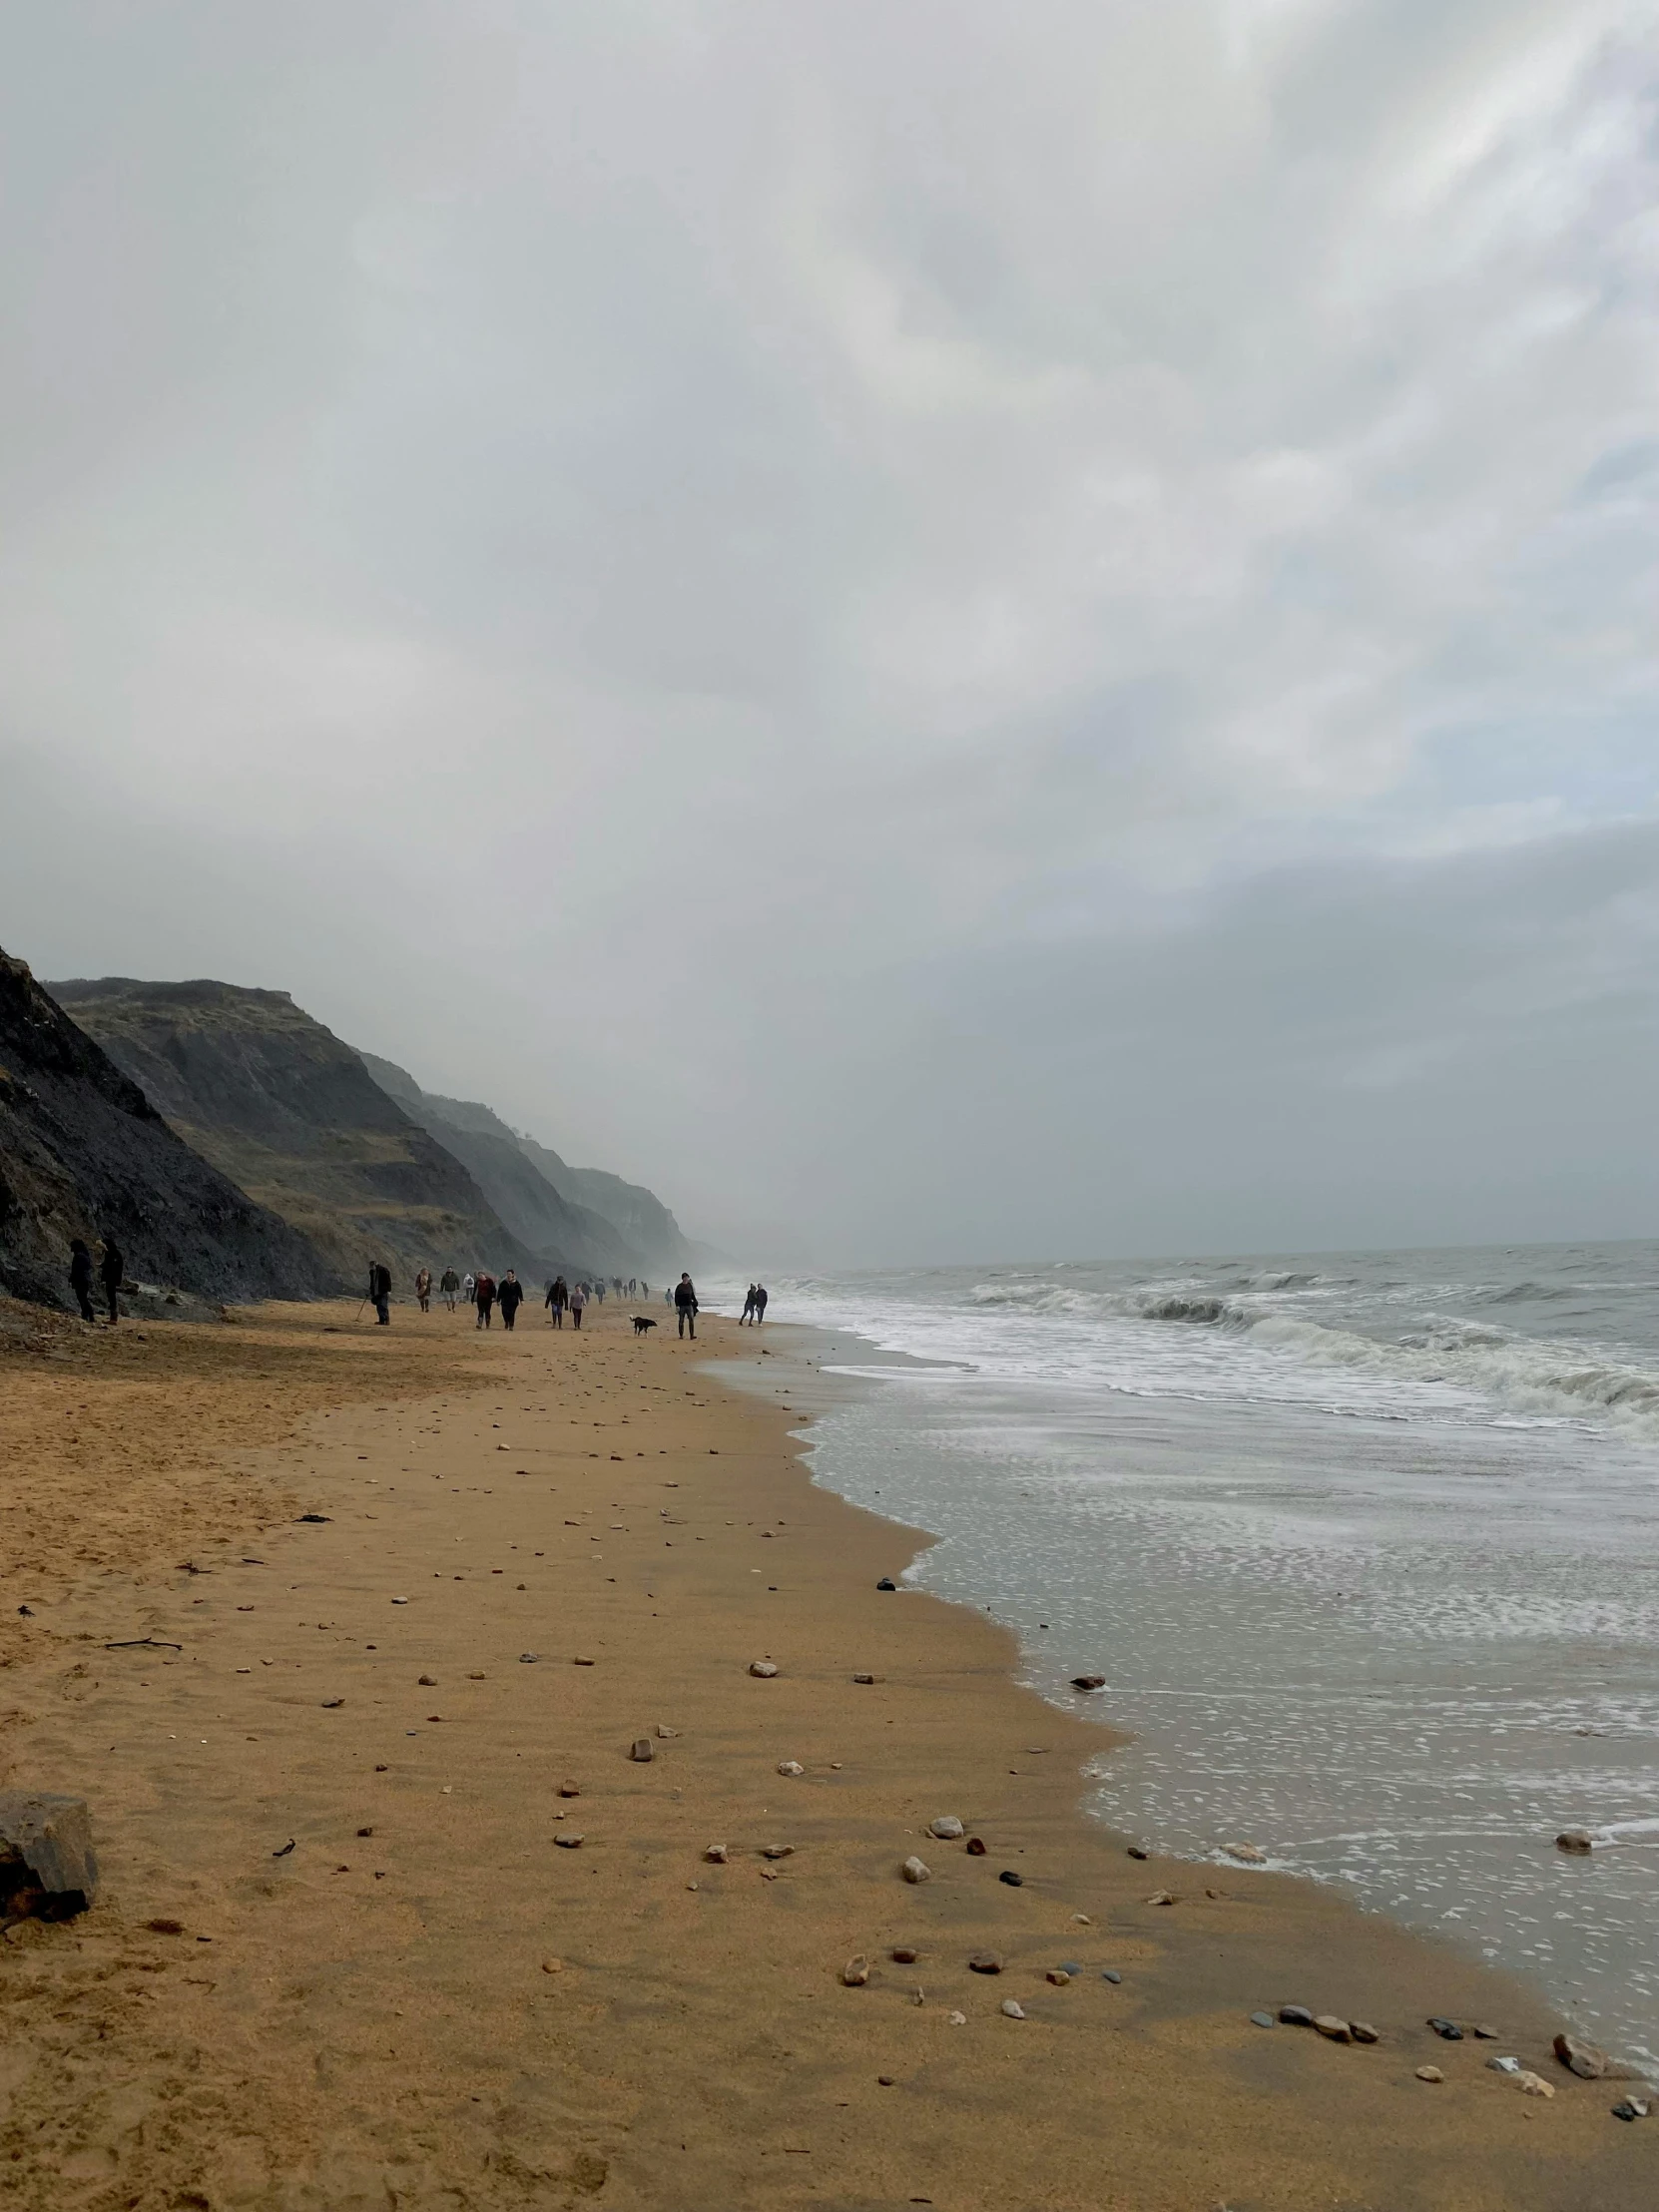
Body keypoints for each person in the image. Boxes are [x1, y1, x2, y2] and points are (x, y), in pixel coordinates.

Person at [69, 1238, 96, 1322]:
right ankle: (87, 1315)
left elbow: (76, 1269)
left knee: (82, 1298)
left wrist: (71, 1278)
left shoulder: (79, 1256)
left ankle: (88, 1315)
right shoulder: (85, 1255)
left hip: (80, 1280)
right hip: (84, 1279)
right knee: (83, 1298)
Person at [100, 1237, 125, 1326]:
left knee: (111, 1296)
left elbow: (112, 1266)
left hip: (112, 1279)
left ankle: (113, 1318)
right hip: (111, 1279)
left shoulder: (113, 1253)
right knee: (111, 1296)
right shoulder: (112, 1253)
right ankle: (113, 1317)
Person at [674, 1272, 698, 1339]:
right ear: (682, 1278)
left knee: (691, 1320)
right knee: (681, 1320)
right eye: (685, 1278)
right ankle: (681, 1335)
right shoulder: (679, 1286)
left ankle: (691, 1335)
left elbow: (692, 1295)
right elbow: (676, 1297)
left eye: (687, 1277)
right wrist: (677, 1305)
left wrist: (695, 1300)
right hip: (681, 1306)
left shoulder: (690, 1285)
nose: (686, 1279)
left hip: (689, 1305)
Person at [369, 1259, 392, 1326]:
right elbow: (372, 1281)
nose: (371, 1267)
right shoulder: (372, 1272)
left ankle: (386, 1320)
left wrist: (389, 1290)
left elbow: (388, 1281)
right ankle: (381, 1320)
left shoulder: (384, 1270)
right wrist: (371, 1290)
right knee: (379, 1306)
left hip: (383, 1291)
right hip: (376, 1291)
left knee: (383, 1305)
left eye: (372, 1265)